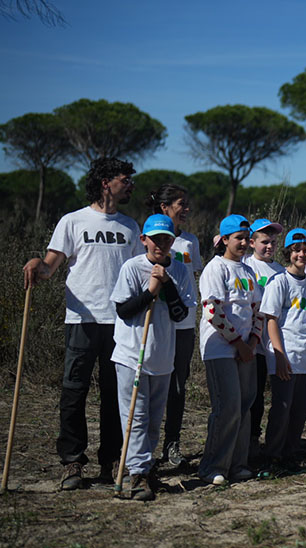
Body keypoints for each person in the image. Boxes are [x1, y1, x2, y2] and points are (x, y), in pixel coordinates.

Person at [23, 157, 143, 490]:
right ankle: (72, 462)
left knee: (114, 393)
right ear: (106, 182)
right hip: (81, 319)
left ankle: (112, 460)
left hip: (120, 322)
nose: (130, 185)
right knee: (74, 390)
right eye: (125, 179)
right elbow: (50, 266)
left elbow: (137, 272)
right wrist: (37, 265)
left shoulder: (131, 227)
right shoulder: (72, 221)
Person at [110, 214, 195, 500]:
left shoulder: (181, 271)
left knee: (153, 420)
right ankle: (138, 473)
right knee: (135, 416)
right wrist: (151, 291)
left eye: (166, 239)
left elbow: (181, 314)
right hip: (131, 354)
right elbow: (123, 310)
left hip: (162, 356)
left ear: (173, 241)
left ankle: (145, 467)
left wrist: (167, 284)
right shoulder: (132, 268)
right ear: (143, 239)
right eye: (155, 238)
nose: (160, 244)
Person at [198, 214, 264, 485]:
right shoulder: (216, 268)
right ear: (224, 239)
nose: (244, 243)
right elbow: (212, 311)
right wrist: (237, 342)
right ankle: (214, 466)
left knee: (244, 406)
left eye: (247, 238)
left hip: (245, 349)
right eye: (239, 238)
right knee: (227, 407)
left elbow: (258, 311)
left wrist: (251, 343)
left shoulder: (248, 271)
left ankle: (238, 463)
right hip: (221, 349)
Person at [146, 183, 203, 468]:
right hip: (158, 321)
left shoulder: (190, 241)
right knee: (155, 382)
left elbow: (194, 277)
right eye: (182, 203)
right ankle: (145, 447)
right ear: (165, 207)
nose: (187, 209)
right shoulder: (148, 239)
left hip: (185, 323)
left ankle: (173, 444)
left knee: (179, 385)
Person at [259, 229, 306, 468]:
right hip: (286, 355)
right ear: (289, 252)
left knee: (299, 411)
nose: (302, 254)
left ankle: (290, 452)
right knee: (282, 408)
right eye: (296, 250)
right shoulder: (280, 281)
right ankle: (272, 455)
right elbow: (271, 319)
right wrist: (279, 355)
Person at [242, 218, 285, 460]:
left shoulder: (280, 271)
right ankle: (249, 442)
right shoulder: (246, 266)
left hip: (273, 343)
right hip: (251, 342)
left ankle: (271, 444)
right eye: (264, 242)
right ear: (251, 243)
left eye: (273, 243)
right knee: (253, 396)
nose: (269, 246)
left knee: (275, 396)